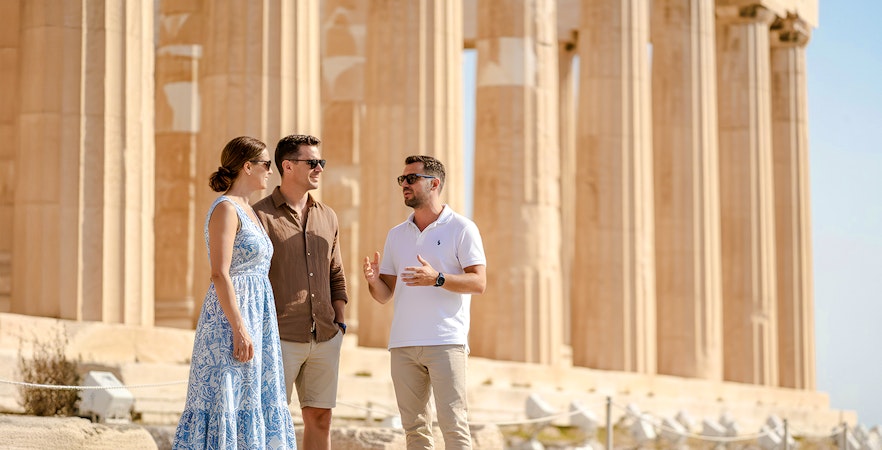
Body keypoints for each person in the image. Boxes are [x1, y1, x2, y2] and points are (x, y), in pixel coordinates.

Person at [173, 136, 297, 450]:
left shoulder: (250, 210)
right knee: (227, 397)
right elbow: (219, 272)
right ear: (247, 166)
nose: (271, 171)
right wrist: (239, 328)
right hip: (231, 320)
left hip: (258, 316)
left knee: (251, 397)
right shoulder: (226, 209)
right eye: (266, 164)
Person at [362, 155, 487, 449]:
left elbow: (479, 282)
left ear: (434, 184)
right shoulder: (396, 235)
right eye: (402, 180)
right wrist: (372, 281)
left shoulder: (462, 228)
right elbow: (384, 295)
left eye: (411, 179)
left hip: (446, 341)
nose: (404, 185)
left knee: (453, 425)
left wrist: (438, 278)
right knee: (414, 430)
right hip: (403, 345)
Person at [253, 134, 348, 450]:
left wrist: (340, 322)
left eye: (322, 162)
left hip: (324, 336)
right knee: (269, 421)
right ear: (288, 166)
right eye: (313, 162)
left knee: (321, 419)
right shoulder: (259, 215)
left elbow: (336, 273)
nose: (320, 168)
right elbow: (252, 278)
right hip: (278, 336)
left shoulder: (328, 216)